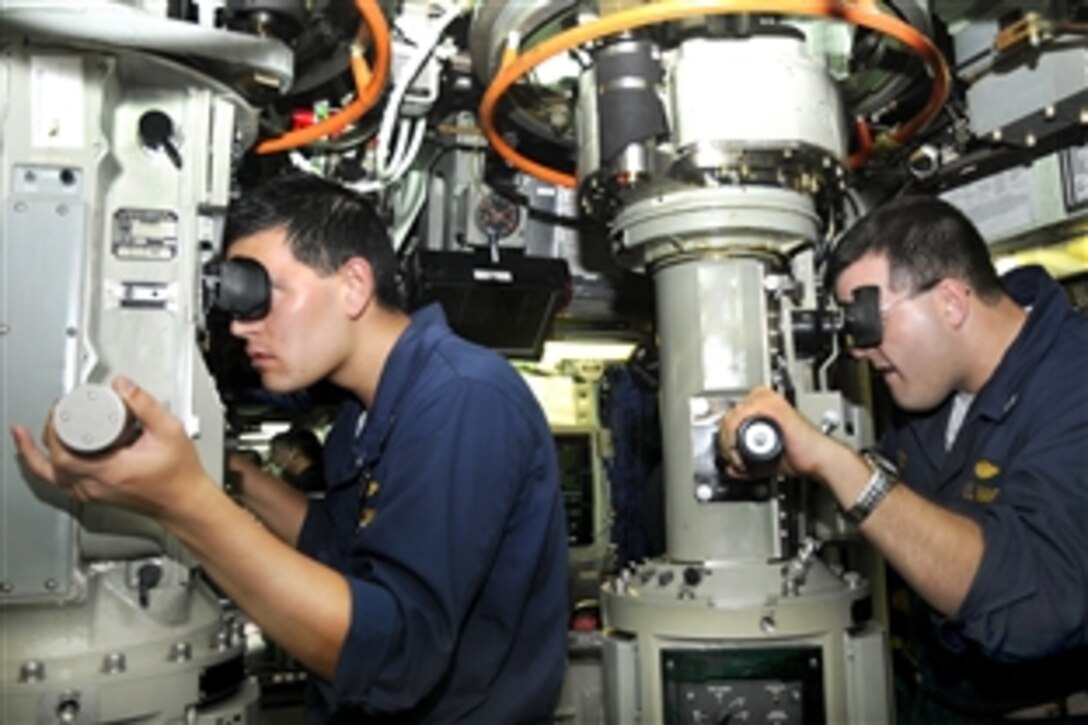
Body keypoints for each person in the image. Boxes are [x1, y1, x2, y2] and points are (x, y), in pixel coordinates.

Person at [11, 172, 569, 722]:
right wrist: (224, 476)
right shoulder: (363, 409)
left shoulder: (462, 398)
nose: (239, 326)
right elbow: (334, 543)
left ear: (353, 284)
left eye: (259, 293)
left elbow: (396, 655)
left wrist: (183, 503)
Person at [719, 195, 1088, 722]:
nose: (858, 349)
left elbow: (1030, 606)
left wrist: (838, 466)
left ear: (952, 303)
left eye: (868, 322)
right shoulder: (924, 397)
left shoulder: (1075, 380)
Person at [269, 426, 325, 494]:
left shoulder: (308, 484)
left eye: (276, 452)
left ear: (295, 452)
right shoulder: (322, 475)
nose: (273, 458)